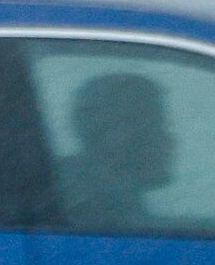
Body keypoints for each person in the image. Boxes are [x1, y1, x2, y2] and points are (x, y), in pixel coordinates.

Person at [56, 66, 177, 231]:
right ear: (117, 136)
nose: (171, 141)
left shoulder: (74, 198)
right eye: (158, 127)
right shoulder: (101, 220)